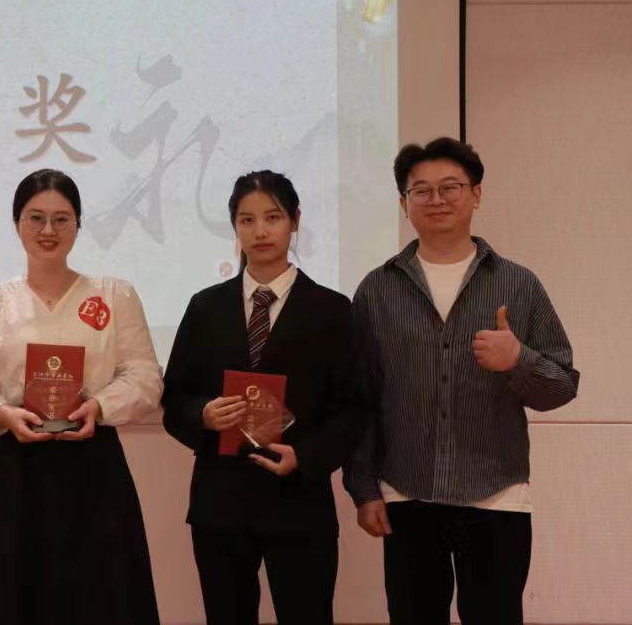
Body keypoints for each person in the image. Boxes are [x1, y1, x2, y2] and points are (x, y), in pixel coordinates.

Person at [343, 137, 580, 625]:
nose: (437, 199)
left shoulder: (518, 284)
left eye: (450, 187)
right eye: (421, 190)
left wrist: (518, 359)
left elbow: (562, 386)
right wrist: (364, 488)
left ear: (476, 194)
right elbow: (360, 398)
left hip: (497, 493)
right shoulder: (377, 289)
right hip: (407, 491)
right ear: (404, 203)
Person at [0, 168, 162, 625]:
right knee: (12, 594)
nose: (48, 230)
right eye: (36, 217)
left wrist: (99, 406)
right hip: (18, 467)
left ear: (78, 225)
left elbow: (145, 375)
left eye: (62, 219)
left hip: (94, 465)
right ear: (17, 223)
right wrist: (3, 413)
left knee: (102, 596)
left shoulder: (115, 295)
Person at [161, 170, 365, 625]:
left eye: (272, 217)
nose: (260, 231)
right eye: (246, 219)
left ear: (295, 220)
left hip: (299, 503)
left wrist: (305, 456)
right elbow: (173, 398)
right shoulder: (205, 306)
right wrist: (203, 415)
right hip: (220, 503)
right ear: (234, 226)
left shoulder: (332, 310)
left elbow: (353, 408)